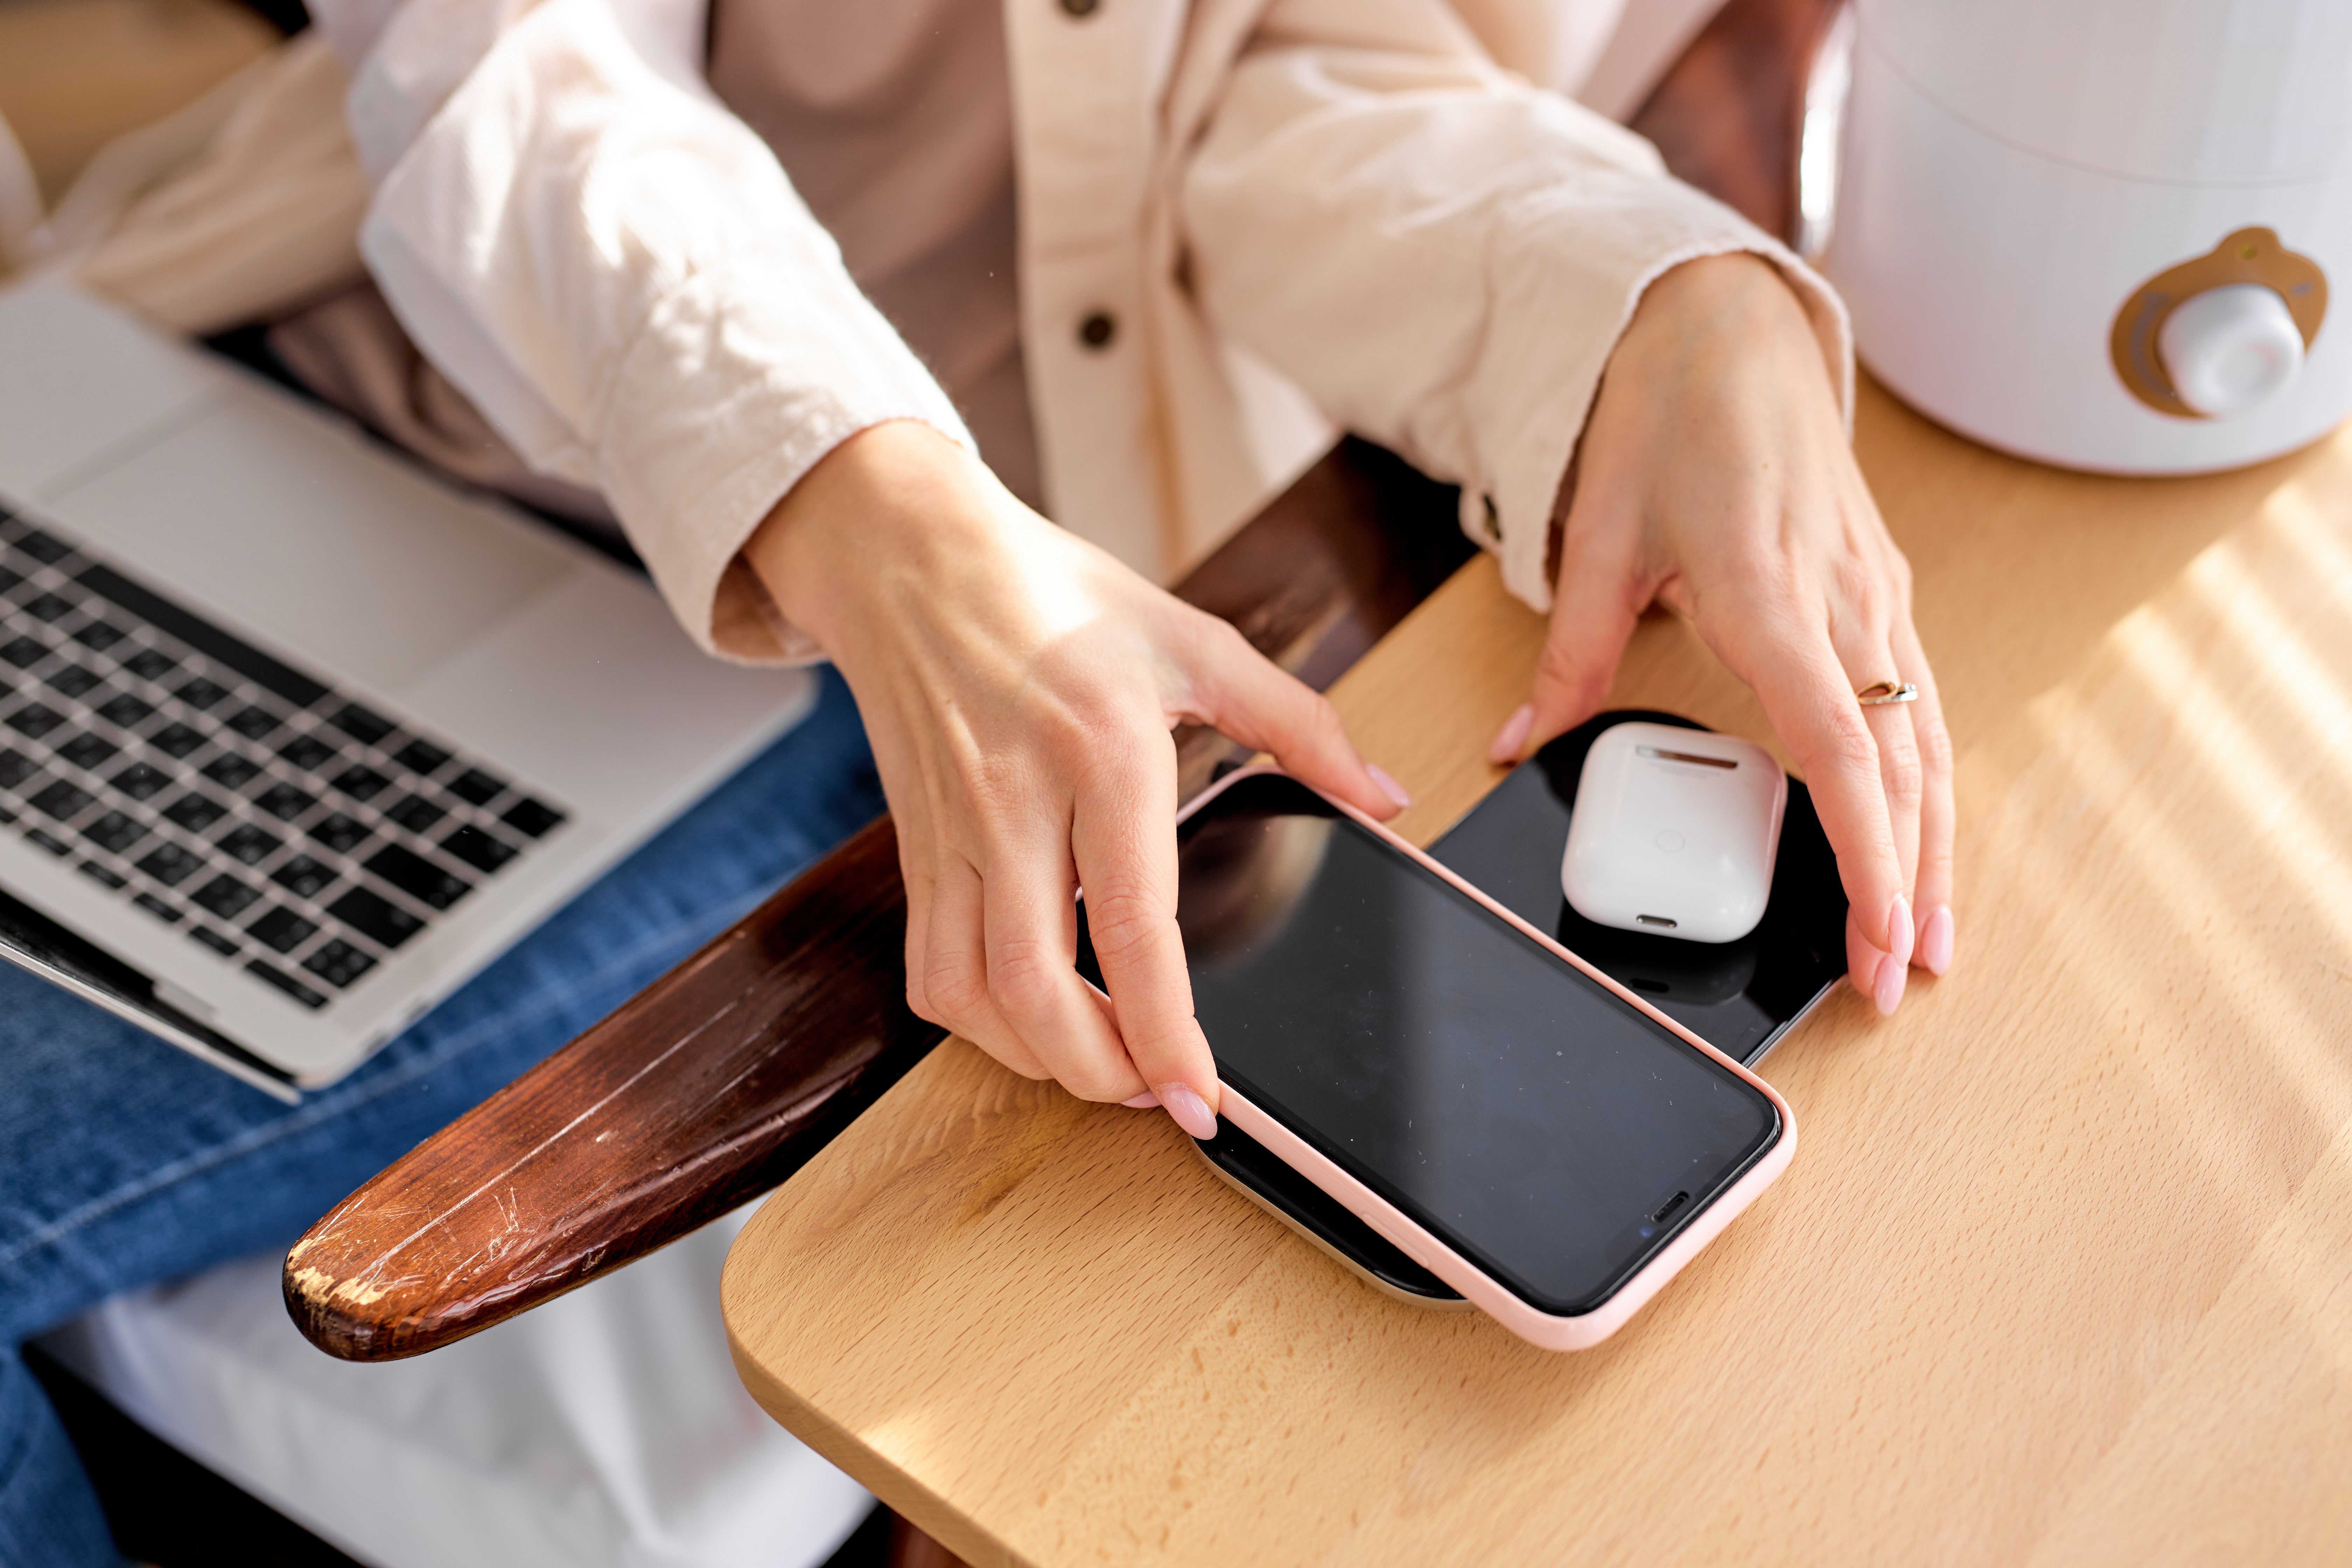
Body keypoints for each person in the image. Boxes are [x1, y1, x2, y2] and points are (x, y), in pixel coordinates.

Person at [0, 0, 1953, 1559]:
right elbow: (505, 54)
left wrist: (1660, 298)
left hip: (820, 639)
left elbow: (1292, 82)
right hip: (360, 396)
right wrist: (870, 501)